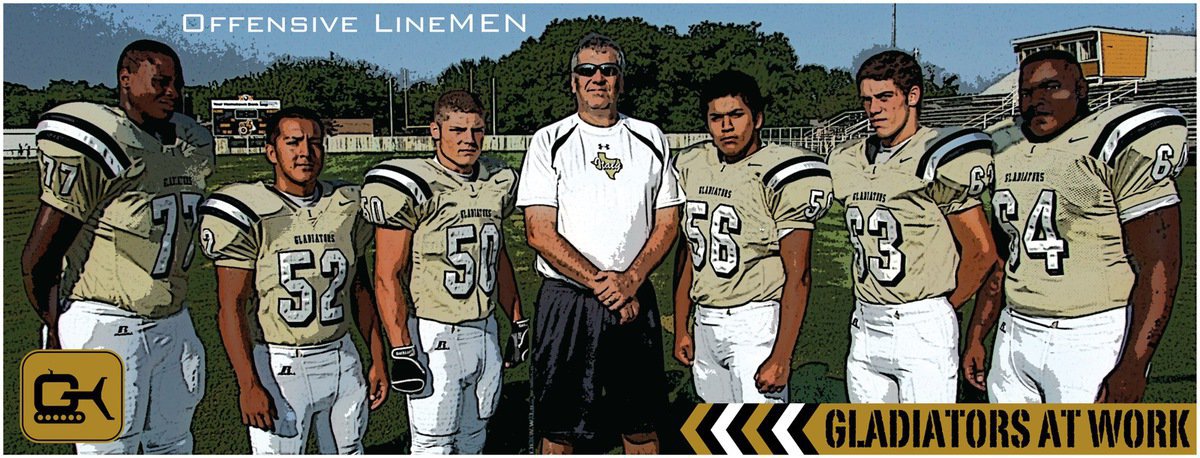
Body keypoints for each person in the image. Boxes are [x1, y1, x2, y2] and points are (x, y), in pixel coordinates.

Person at [20, 39, 212, 453]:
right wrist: (56, 326)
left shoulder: (187, 145)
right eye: (160, 82)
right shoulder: (101, 141)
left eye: (176, 84)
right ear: (125, 79)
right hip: (105, 322)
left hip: (173, 319)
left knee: (174, 442)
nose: (172, 93)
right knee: (106, 448)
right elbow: (40, 258)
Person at [962, 50, 1186, 403]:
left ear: (1081, 89)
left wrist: (1133, 364)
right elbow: (1005, 256)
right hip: (1015, 331)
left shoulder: (1108, 142)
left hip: (1091, 335)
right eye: (1026, 92)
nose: (1037, 101)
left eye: (1051, 87)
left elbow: (1160, 265)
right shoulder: (1005, 148)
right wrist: (977, 334)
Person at [518, 32, 681, 454]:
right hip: (568, 300)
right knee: (559, 430)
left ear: (620, 82)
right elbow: (538, 230)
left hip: (634, 295)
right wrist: (605, 285)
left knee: (641, 425)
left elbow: (667, 221)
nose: (597, 78)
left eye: (608, 70)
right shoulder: (548, 141)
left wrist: (631, 280)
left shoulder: (649, 137)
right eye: (586, 70)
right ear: (573, 82)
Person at [198, 107, 388, 453]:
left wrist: (377, 357)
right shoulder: (250, 209)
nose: (305, 152)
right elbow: (231, 306)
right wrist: (248, 384)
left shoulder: (345, 205)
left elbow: (359, 290)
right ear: (272, 151)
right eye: (293, 142)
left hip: (341, 356)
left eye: (314, 142)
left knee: (350, 451)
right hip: (280, 360)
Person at [826, 50, 999, 403]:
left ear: (913, 95)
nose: (874, 109)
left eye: (885, 97)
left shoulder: (937, 153)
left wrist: (940, 309)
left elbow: (982, 252)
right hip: (864, 320)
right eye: (867, 100)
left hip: (922, 322)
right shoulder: (846, 160)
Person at [362, 90, 527, 454]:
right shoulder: (413, 182)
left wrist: (516, 319)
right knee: (433, 442)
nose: (468, 139)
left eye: (477, 130)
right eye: (457, 130)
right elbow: (386, 274)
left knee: (475, 436)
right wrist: (402, 349)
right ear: (434, 130)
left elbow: (497, 253)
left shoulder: (496, 180)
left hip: (485, 329)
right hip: (436, 331)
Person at [671, 70, 830, 403]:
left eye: (736, 115)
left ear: (757, 118)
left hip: (754, 321)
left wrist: (782, 355)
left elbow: (798, 275)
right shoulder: (692, 164)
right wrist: (682, 325)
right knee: (717, 438)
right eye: (716, 118)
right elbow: (687, 253)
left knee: (761, 441)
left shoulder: (780, 170)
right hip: (705, 320)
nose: (726, 126)